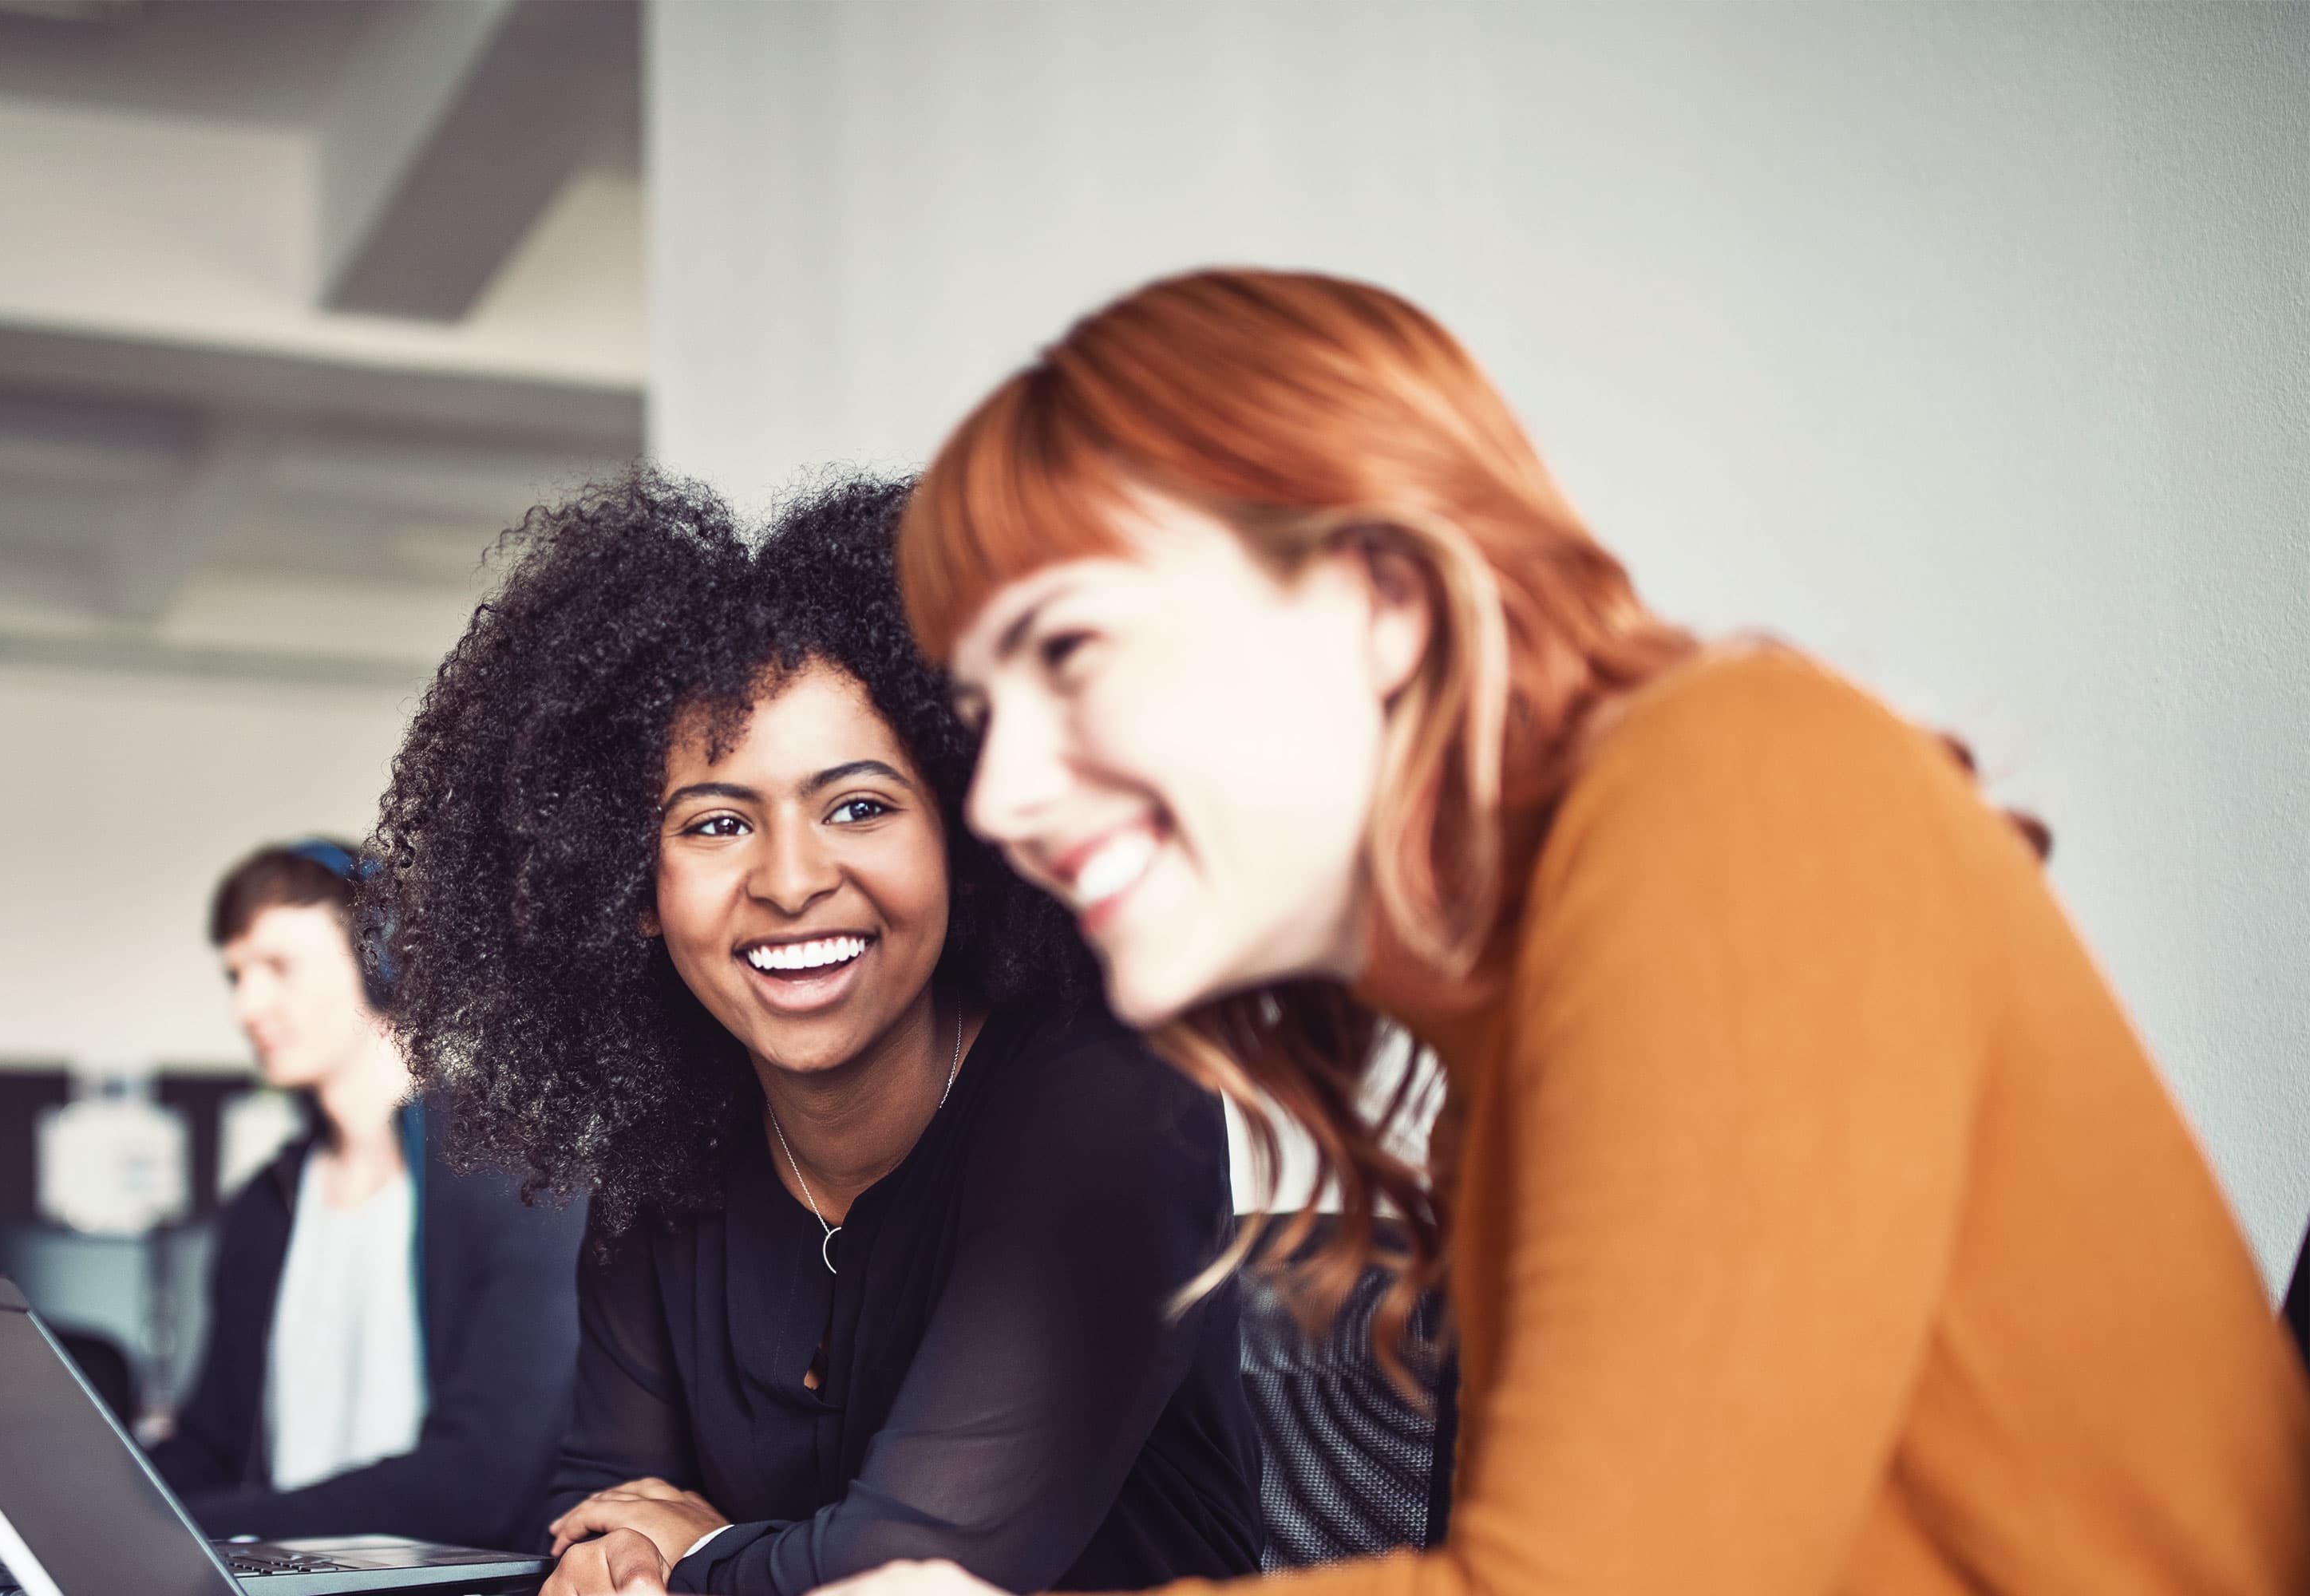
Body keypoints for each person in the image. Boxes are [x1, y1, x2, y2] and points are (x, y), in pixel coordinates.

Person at [805, 268, 2310, 1596]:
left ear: (1381, 599)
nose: (999, 796)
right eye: (988, 711)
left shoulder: (1735, 786)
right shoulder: (1509, 1039)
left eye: (1071, 649)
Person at [358, 477, 1264, 1596]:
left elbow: (916, 1578)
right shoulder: (664, 1165)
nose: (790, 881)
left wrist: (697, 1558)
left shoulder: (1113, 1110)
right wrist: (659, 1561)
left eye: (859, 807)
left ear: (967, 840)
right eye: (719, 823)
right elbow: (594, 1539)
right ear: (632, 886)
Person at [148, 839, 589, 1553]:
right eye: (235, 975)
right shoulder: (264, 1207)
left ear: (381, 962)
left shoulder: (519, 1185)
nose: (247, 1004)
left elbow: (480, 1483)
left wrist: (195, 1528)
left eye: (278, 968)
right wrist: (50, 1500)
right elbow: (209, 1446)